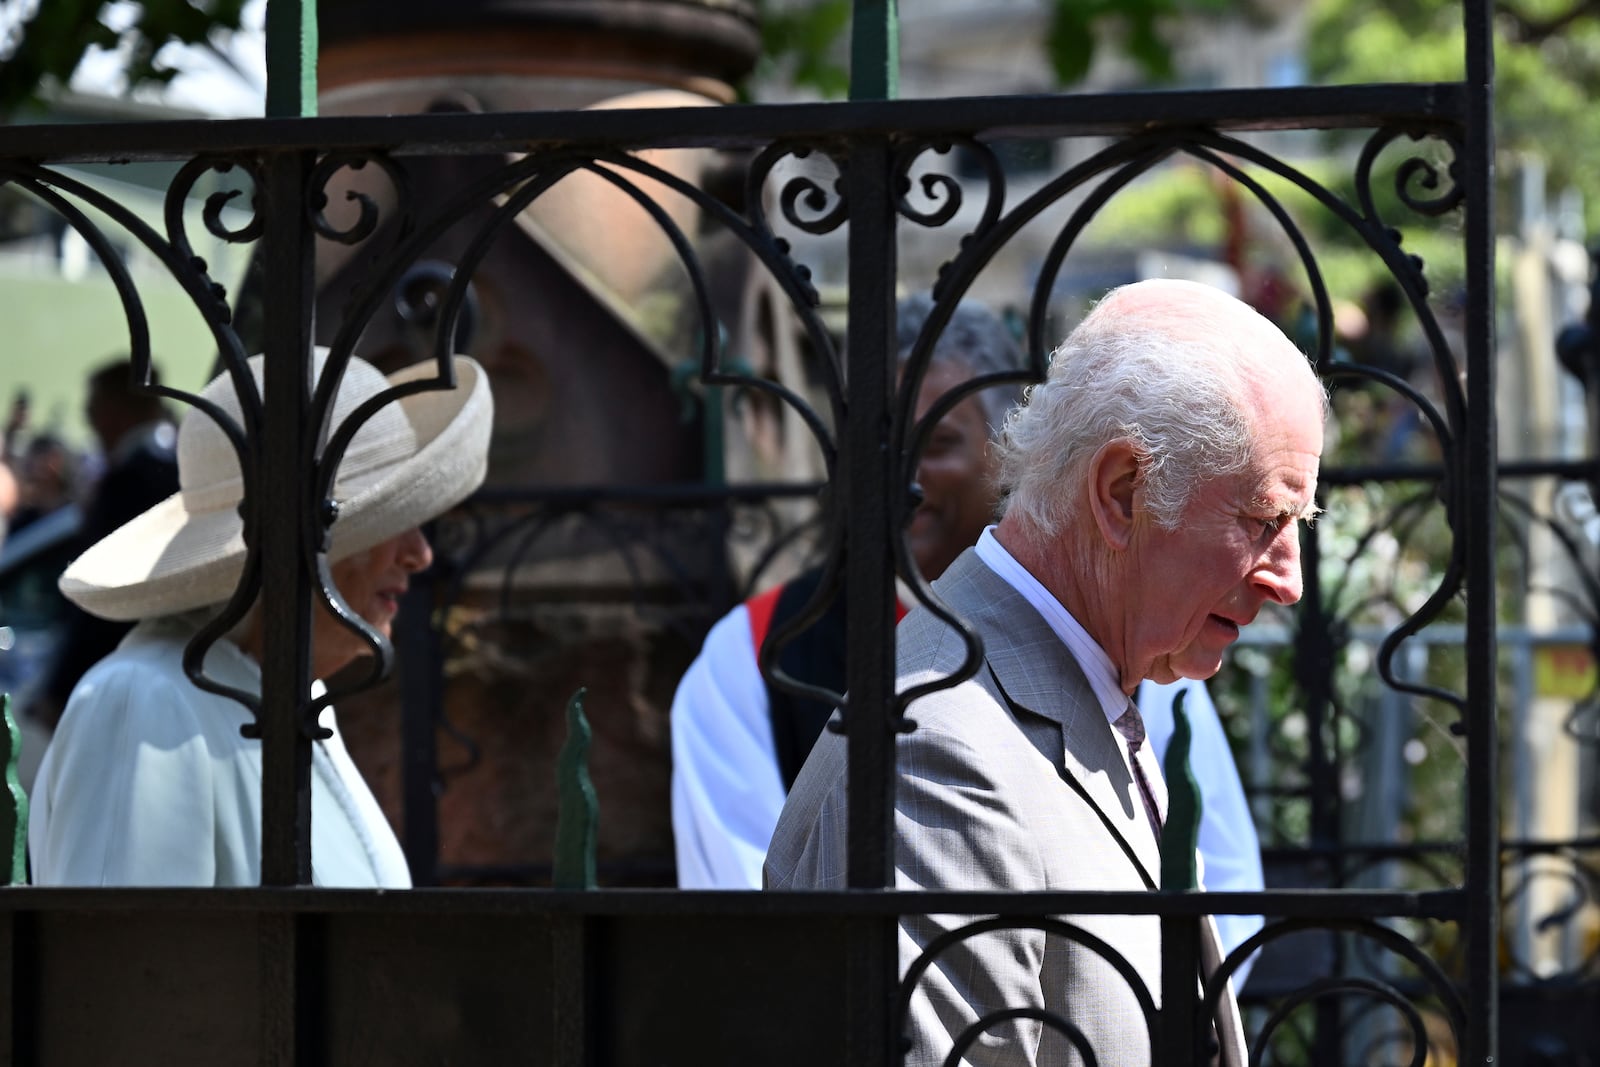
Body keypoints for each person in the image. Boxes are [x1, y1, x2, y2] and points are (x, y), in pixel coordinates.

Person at [765, 279, 1326, 1066]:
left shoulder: (1071, 688)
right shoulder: (942, 754)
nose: (1288, 577)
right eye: (1263, 519)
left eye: (1297, 525)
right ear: (1123, 492)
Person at [676, 293, 1264, 983]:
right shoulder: (751, 652)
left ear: (1005, 457)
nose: (901, 477)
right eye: (871, 446)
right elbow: (742, 907)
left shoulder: (1127, 636)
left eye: (940, 444)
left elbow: (1219, 879)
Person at [28, 348, 492, 887]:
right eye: (387, 521)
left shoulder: (293, 695)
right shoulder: (145, 704)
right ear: (295, 543)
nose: (420, 553)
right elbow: (129, 965)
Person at [34, 360, 181, 727]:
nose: (89, 420)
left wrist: (59, 688)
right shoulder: (174, 465)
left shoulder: (129, 481)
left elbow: (98, 596)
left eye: (93, 408)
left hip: (117, 679)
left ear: (117, 408)